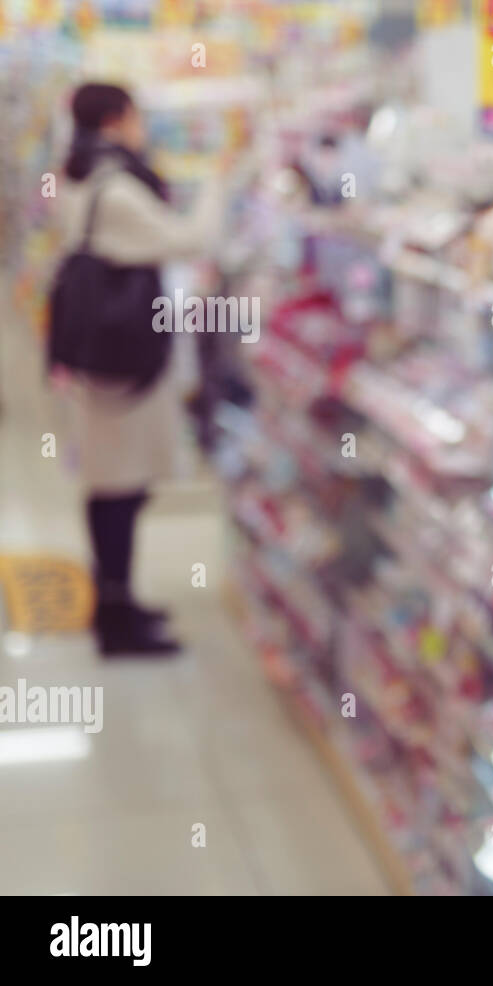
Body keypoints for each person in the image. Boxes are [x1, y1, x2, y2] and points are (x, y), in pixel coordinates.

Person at [54, 82, 225, 657]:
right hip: (125, 355)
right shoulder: (119, 190)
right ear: (116, 119)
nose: (143, 126)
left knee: (109, 482)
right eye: (136, 115)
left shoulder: (76, 175)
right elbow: (191, 240)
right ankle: (117, 617)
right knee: (121, 487)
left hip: (96, 349)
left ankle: (116, 600)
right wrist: (219, 180)